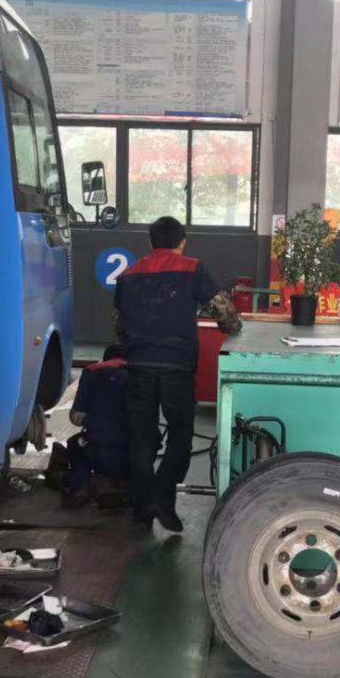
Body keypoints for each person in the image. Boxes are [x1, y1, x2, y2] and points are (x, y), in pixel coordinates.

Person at [114, 216, 241, 532]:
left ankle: (143, 507)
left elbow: (118, 323)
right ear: (182, 243)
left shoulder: (128, 274)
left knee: (140, 439)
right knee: (180, 437)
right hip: (177, 367)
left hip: (139, 365)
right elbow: (224, 312)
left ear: (151, 242)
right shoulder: (193, 268)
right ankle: (163, 497)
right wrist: (233, 327)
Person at [62, 344, 131, 508]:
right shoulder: (141, 374)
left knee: (74, 444)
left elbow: (76, 418)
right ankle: (128, 487)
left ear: (105, 358)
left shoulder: (92, 372)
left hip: (97, 450)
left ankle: (80, 486)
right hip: (131, 454)